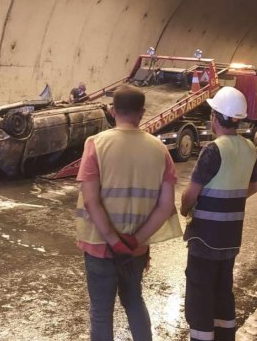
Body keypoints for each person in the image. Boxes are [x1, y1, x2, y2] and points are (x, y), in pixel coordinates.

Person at [75, 86, 183, 341]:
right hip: (135, 249)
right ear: (142, 113)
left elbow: (91, 202)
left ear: (113, 111)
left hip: (99, 246)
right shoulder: (160, 150)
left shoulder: (96, 144)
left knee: (101, 312)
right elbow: (166, 205)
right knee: (134, 302)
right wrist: (133, 241)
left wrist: (114, 241)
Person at [180, 86, 257, 341]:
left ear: (216, 117)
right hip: (230, 237)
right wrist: (231, 200)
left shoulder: (214, 149)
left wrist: (186, 209)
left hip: (204, 238)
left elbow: (190, 194)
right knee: (223, 291)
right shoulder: (249, 148)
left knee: (200, 294)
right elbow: (254, 186)